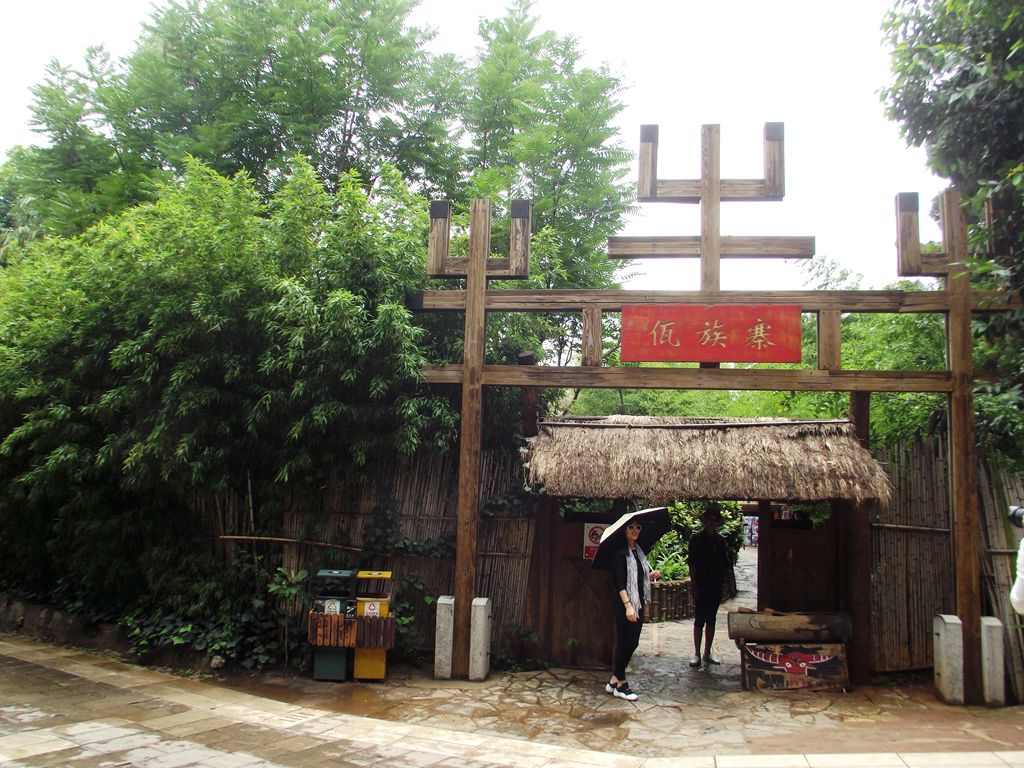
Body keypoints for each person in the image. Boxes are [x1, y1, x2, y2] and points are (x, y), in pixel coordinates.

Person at [606, 520, 660, 701]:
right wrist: (628, 605)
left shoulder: (639, 552)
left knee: (633, 642)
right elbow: (620, 582)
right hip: (626, 605)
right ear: (624, 531)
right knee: (625, 642)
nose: (635, 530)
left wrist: (649, 575)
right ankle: (621, 684)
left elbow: (637, 576)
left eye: (638, 527)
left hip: (638, 602)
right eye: (631, 527)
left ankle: (614, 679)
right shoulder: (621, 554)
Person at [687, 504, 731, 669]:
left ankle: (707, 652)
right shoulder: (696, 539)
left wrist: (728, 584)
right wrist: (694, 584)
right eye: (710, 519)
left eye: (715, 520)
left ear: (717, 522)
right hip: (701, 584)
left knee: (711, 618)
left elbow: (726, 564)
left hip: (715, 584)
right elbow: (692, 563)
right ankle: (696, 653)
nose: (712, 522)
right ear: (706, 521)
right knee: (699, 619)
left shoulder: (720, 541)